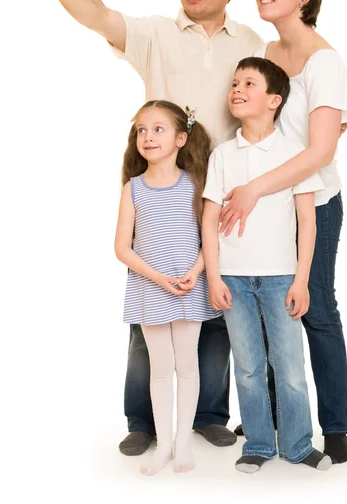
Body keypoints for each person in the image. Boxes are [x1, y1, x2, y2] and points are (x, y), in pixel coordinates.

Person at [15, 0, 263, 454]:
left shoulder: (251, 41)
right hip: (162, 179)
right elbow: (101, 16)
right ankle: (142, 421)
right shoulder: (156, 33)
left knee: (212, 300)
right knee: (150, 300)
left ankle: (209, 414)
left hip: (219, 190)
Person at [219, 0, 347, 464]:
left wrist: (256, 187)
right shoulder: (265, 51)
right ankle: (271, 414)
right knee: (266, 308)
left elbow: (321, 151)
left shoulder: (325, 60)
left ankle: (336, 426)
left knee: (316, 308)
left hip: (313, 204)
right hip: (265, 211)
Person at [115, 99, 222, 475]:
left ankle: (183, 445)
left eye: (157, 129)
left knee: (187, 366)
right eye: (141, 130)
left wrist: (196, 271)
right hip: (151, 288)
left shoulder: (196, 186)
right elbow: (121, 248)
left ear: (180, 138)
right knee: (160, 369)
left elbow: (209, 238)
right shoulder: (134, 188)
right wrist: (157, 277)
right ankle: (162, 445)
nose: (147, 136)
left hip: (190, 287)